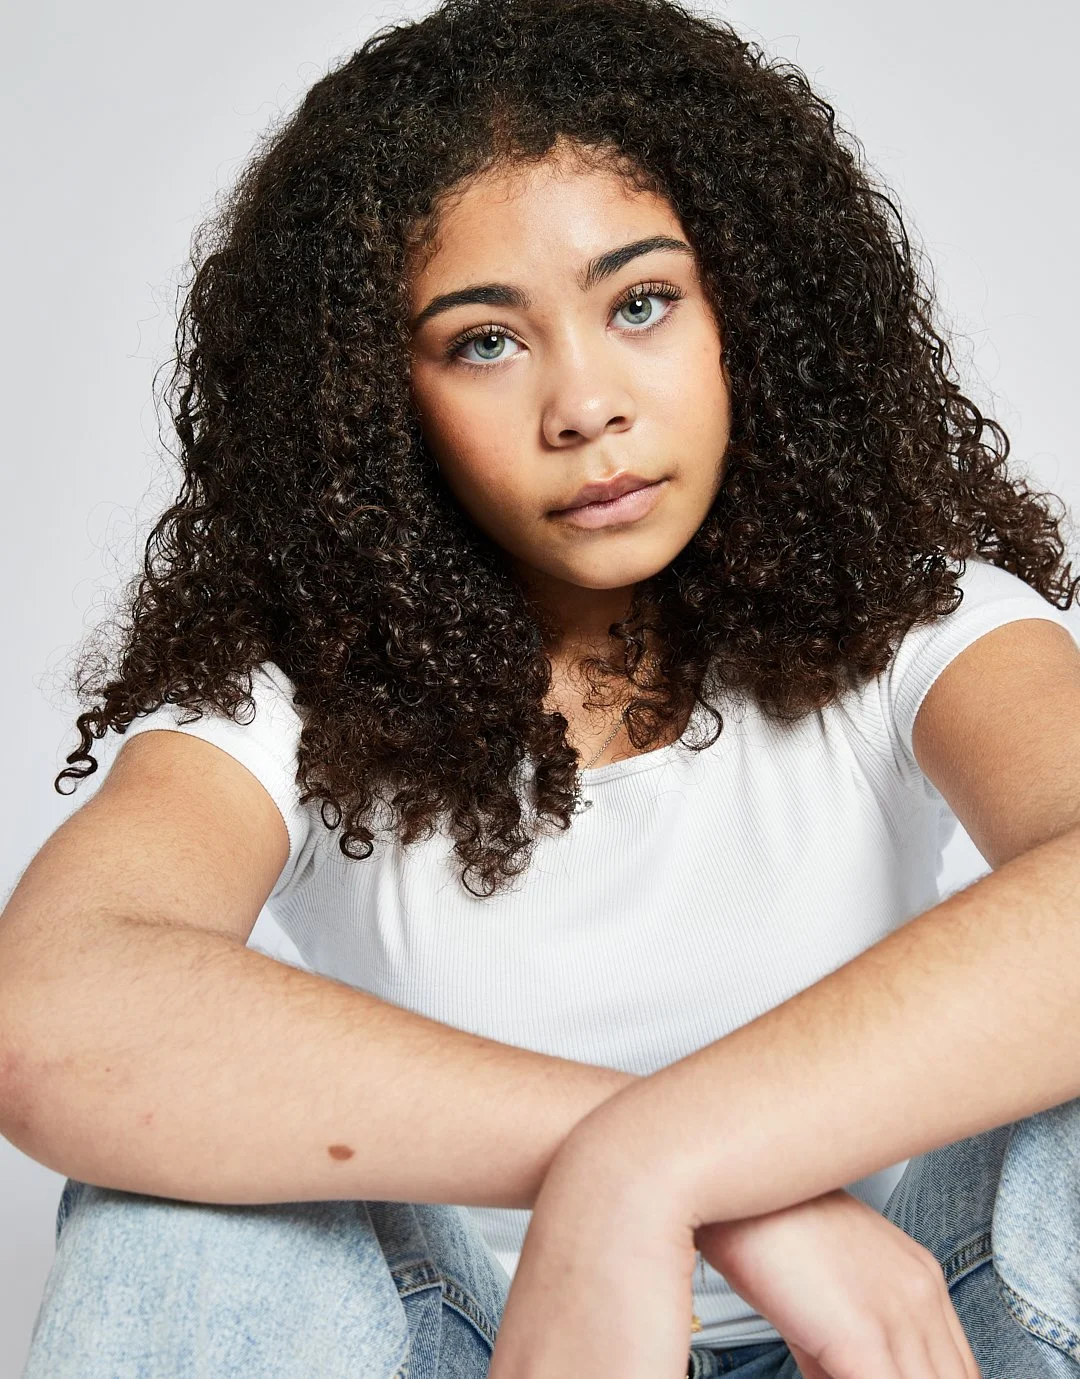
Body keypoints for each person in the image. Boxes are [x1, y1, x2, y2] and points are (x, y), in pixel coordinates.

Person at [5, 0, 1080, 1375]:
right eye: (485, 341)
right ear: (379, 403)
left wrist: (659, 1165)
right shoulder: (293, 698)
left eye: (640, 303)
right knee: (171, 1212)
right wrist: (628, 1170)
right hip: (503, 1350)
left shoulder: (912, 619)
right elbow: (57, 1007)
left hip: (890, 1339)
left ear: (744, 310)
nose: (585, 406)